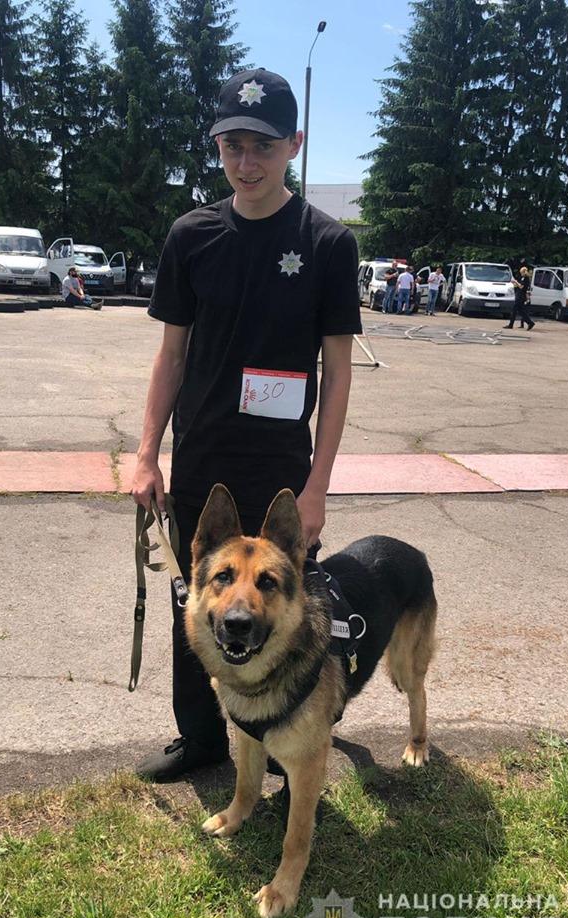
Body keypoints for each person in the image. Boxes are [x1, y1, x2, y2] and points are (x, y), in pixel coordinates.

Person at [131, 67, 362, 783]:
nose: (247, 161)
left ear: (295, 143)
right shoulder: (191, 236)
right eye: (232, 145)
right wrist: (146, 454)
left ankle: (292, 742)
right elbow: (171, 356)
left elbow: (337, 374)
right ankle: (203, 739)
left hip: (282, 472)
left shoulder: (327, 243)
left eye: (263, 145)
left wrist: (318, 486)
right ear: (218, 147)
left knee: (286, 611)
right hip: (202, 460)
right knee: (200, 603)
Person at [505, 266, 534, 330]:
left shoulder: (526, 279)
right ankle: (530, 323)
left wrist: (516, 282)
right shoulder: (522, 278)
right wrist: (514, 283)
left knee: (515, 310)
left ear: (523, 272)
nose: (521, 274)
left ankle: (511, 325)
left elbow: (521, 286)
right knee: (521, 311)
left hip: (521, 297)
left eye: (521, 273)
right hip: (519, 295)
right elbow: (518, 286)